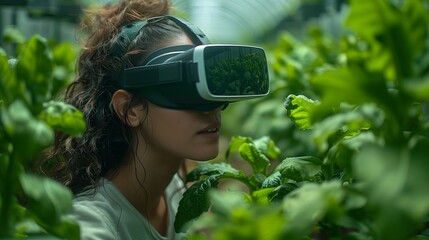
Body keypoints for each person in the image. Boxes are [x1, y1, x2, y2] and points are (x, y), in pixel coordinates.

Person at [44, 0, 269, 239]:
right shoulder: (90, 226)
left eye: (210, 86)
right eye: (185, 90)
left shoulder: (170, 187)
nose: (211, 109)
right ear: (129, 110)